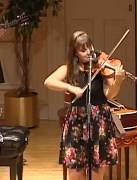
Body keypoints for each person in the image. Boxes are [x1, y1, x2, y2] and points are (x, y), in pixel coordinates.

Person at [44, 31, 125, 180]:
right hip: (77, 124)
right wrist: (71, 88)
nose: (89, 52)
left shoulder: (100, 69)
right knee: (75, 174)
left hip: (99, 122)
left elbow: (109, 95)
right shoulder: (68, 69)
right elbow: (49, 82)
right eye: (83, 50)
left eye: (90, 47)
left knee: (96, 175)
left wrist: (118, 80)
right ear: (75, 53)